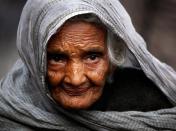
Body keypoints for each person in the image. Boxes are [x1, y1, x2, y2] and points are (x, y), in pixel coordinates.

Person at [0, 0, 176, 130]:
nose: (75, 79)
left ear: (113, 59)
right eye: (58, 58)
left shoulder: (152, 104)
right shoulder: (8, 113)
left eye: (92, 57)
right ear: (36, 59)